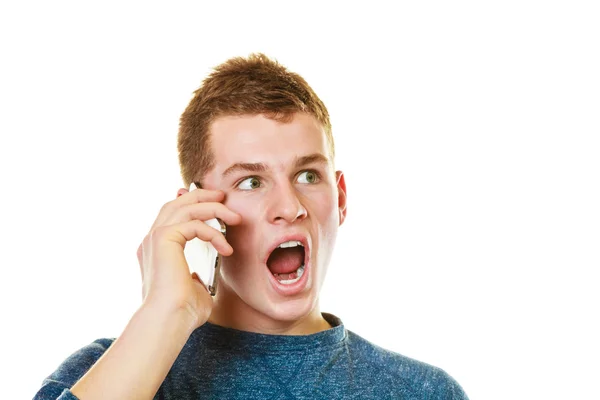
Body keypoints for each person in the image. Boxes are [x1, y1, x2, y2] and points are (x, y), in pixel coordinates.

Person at [34, 53, 468, 399]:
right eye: (251, 181)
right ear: (200, 214)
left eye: (307, 175)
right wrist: (163, 315)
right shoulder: (108, 375)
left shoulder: (424, 392)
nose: (289, 206)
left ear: (341, 199)